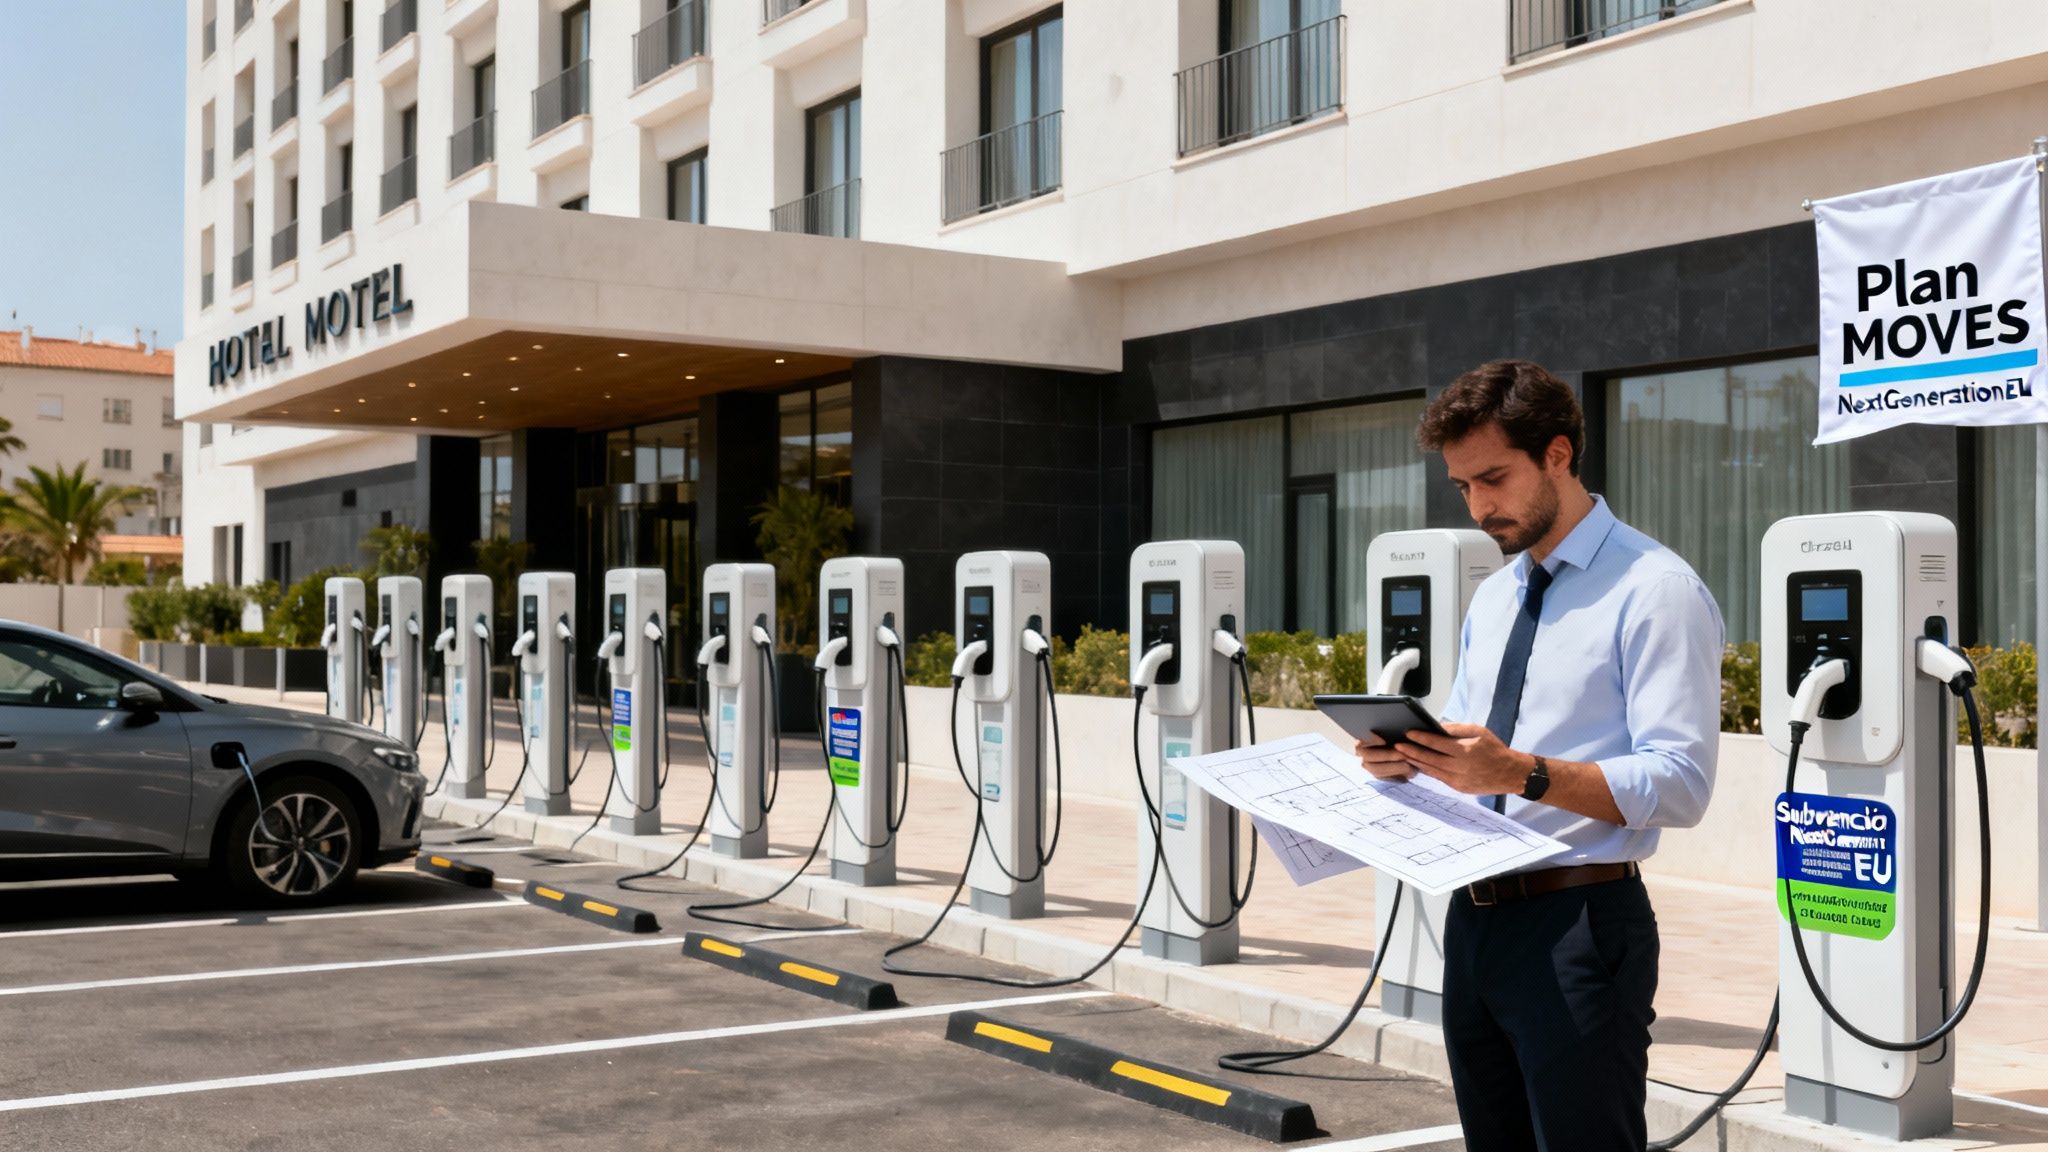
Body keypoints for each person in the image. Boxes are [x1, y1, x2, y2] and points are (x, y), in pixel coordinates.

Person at [1358, 359, 1724, 1151]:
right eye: (1462, 486)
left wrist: (1521, 773)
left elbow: (1682, 783)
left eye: (1493, 478)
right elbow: (1472, 750)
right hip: (1474, 920)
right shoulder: (1495, 597)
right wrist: (1412, 759)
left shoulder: (1656, 590)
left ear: (1558, 454)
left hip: (1579, 921)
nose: (1478, 506)